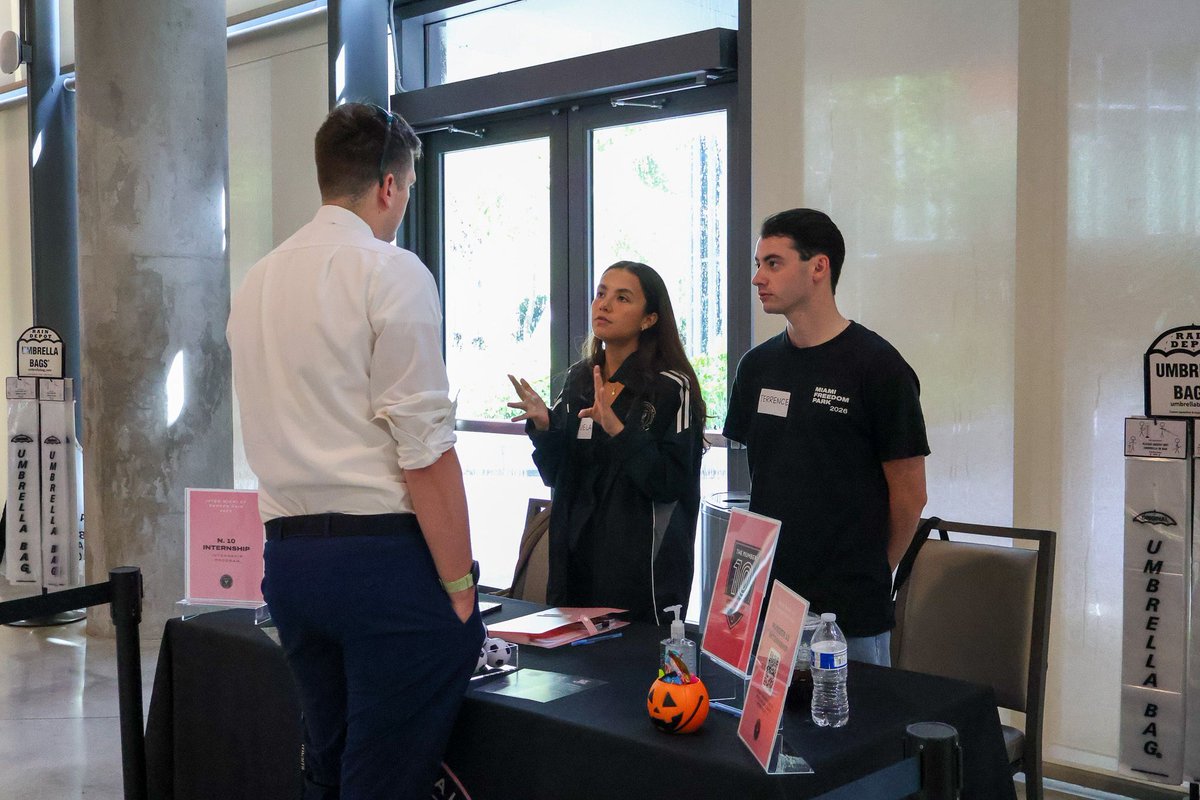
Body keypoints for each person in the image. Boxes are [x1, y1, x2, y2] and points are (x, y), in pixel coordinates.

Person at [227, 103, 484, 800]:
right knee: (382, 777)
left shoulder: (257, 281)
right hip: (381, 563)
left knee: (330, 765)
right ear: (389, 186)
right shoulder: (391, 270)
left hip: (289, 562)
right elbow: (423, 447)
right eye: (408, 189)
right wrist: (460, 588)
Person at [722, 208, 929, 666]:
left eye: (773, 263)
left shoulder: (878, 367)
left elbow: (911, 495)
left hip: (849, 612)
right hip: (770, 603)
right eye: (758, 264)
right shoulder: (756, 368)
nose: (758, 278)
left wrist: (872, 570)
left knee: (850, 714)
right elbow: (764, 481)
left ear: (818, 267)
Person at [508, 262, 705, 624]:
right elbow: (556, 475)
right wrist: (544, 427)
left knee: (630, 657)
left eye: (622, 298)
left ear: (649, 319)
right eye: (601, 293)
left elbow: (671, 483)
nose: (604, 304)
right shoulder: (579, 379)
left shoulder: (670, 386)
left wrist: (618, 430)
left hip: (639, 569)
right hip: (574, 557)